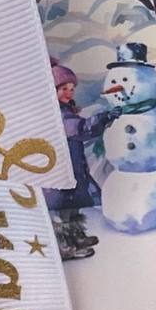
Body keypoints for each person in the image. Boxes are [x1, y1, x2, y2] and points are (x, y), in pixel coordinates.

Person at [44, 58, 101, 260]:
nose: (69, 93)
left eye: (71, 89)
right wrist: (102, 119)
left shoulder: (66, 110)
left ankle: (76, 236)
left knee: (73, 205)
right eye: (63, 89)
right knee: (63, 208)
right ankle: (65, 245)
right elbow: (80, 129)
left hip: (73, 165)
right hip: (60, 168)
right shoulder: (57, 113)